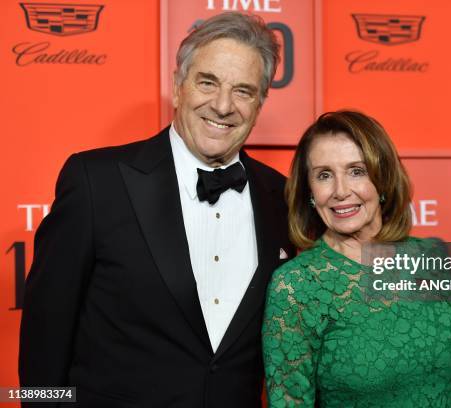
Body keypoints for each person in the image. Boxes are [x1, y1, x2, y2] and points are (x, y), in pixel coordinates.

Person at [19, 12, 294, 407]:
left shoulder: (281, 197)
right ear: (178, 87)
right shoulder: (97, 181)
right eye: (207, 82)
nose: (222, 105)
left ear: (260, 103)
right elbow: (46, 333)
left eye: (243, 91)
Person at [262, 110, 451, 407]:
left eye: (357, 171)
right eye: (324, 175)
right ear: (310, 192)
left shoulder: (431, 257)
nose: (341, 191)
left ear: (383, 178)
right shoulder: (296, 286)